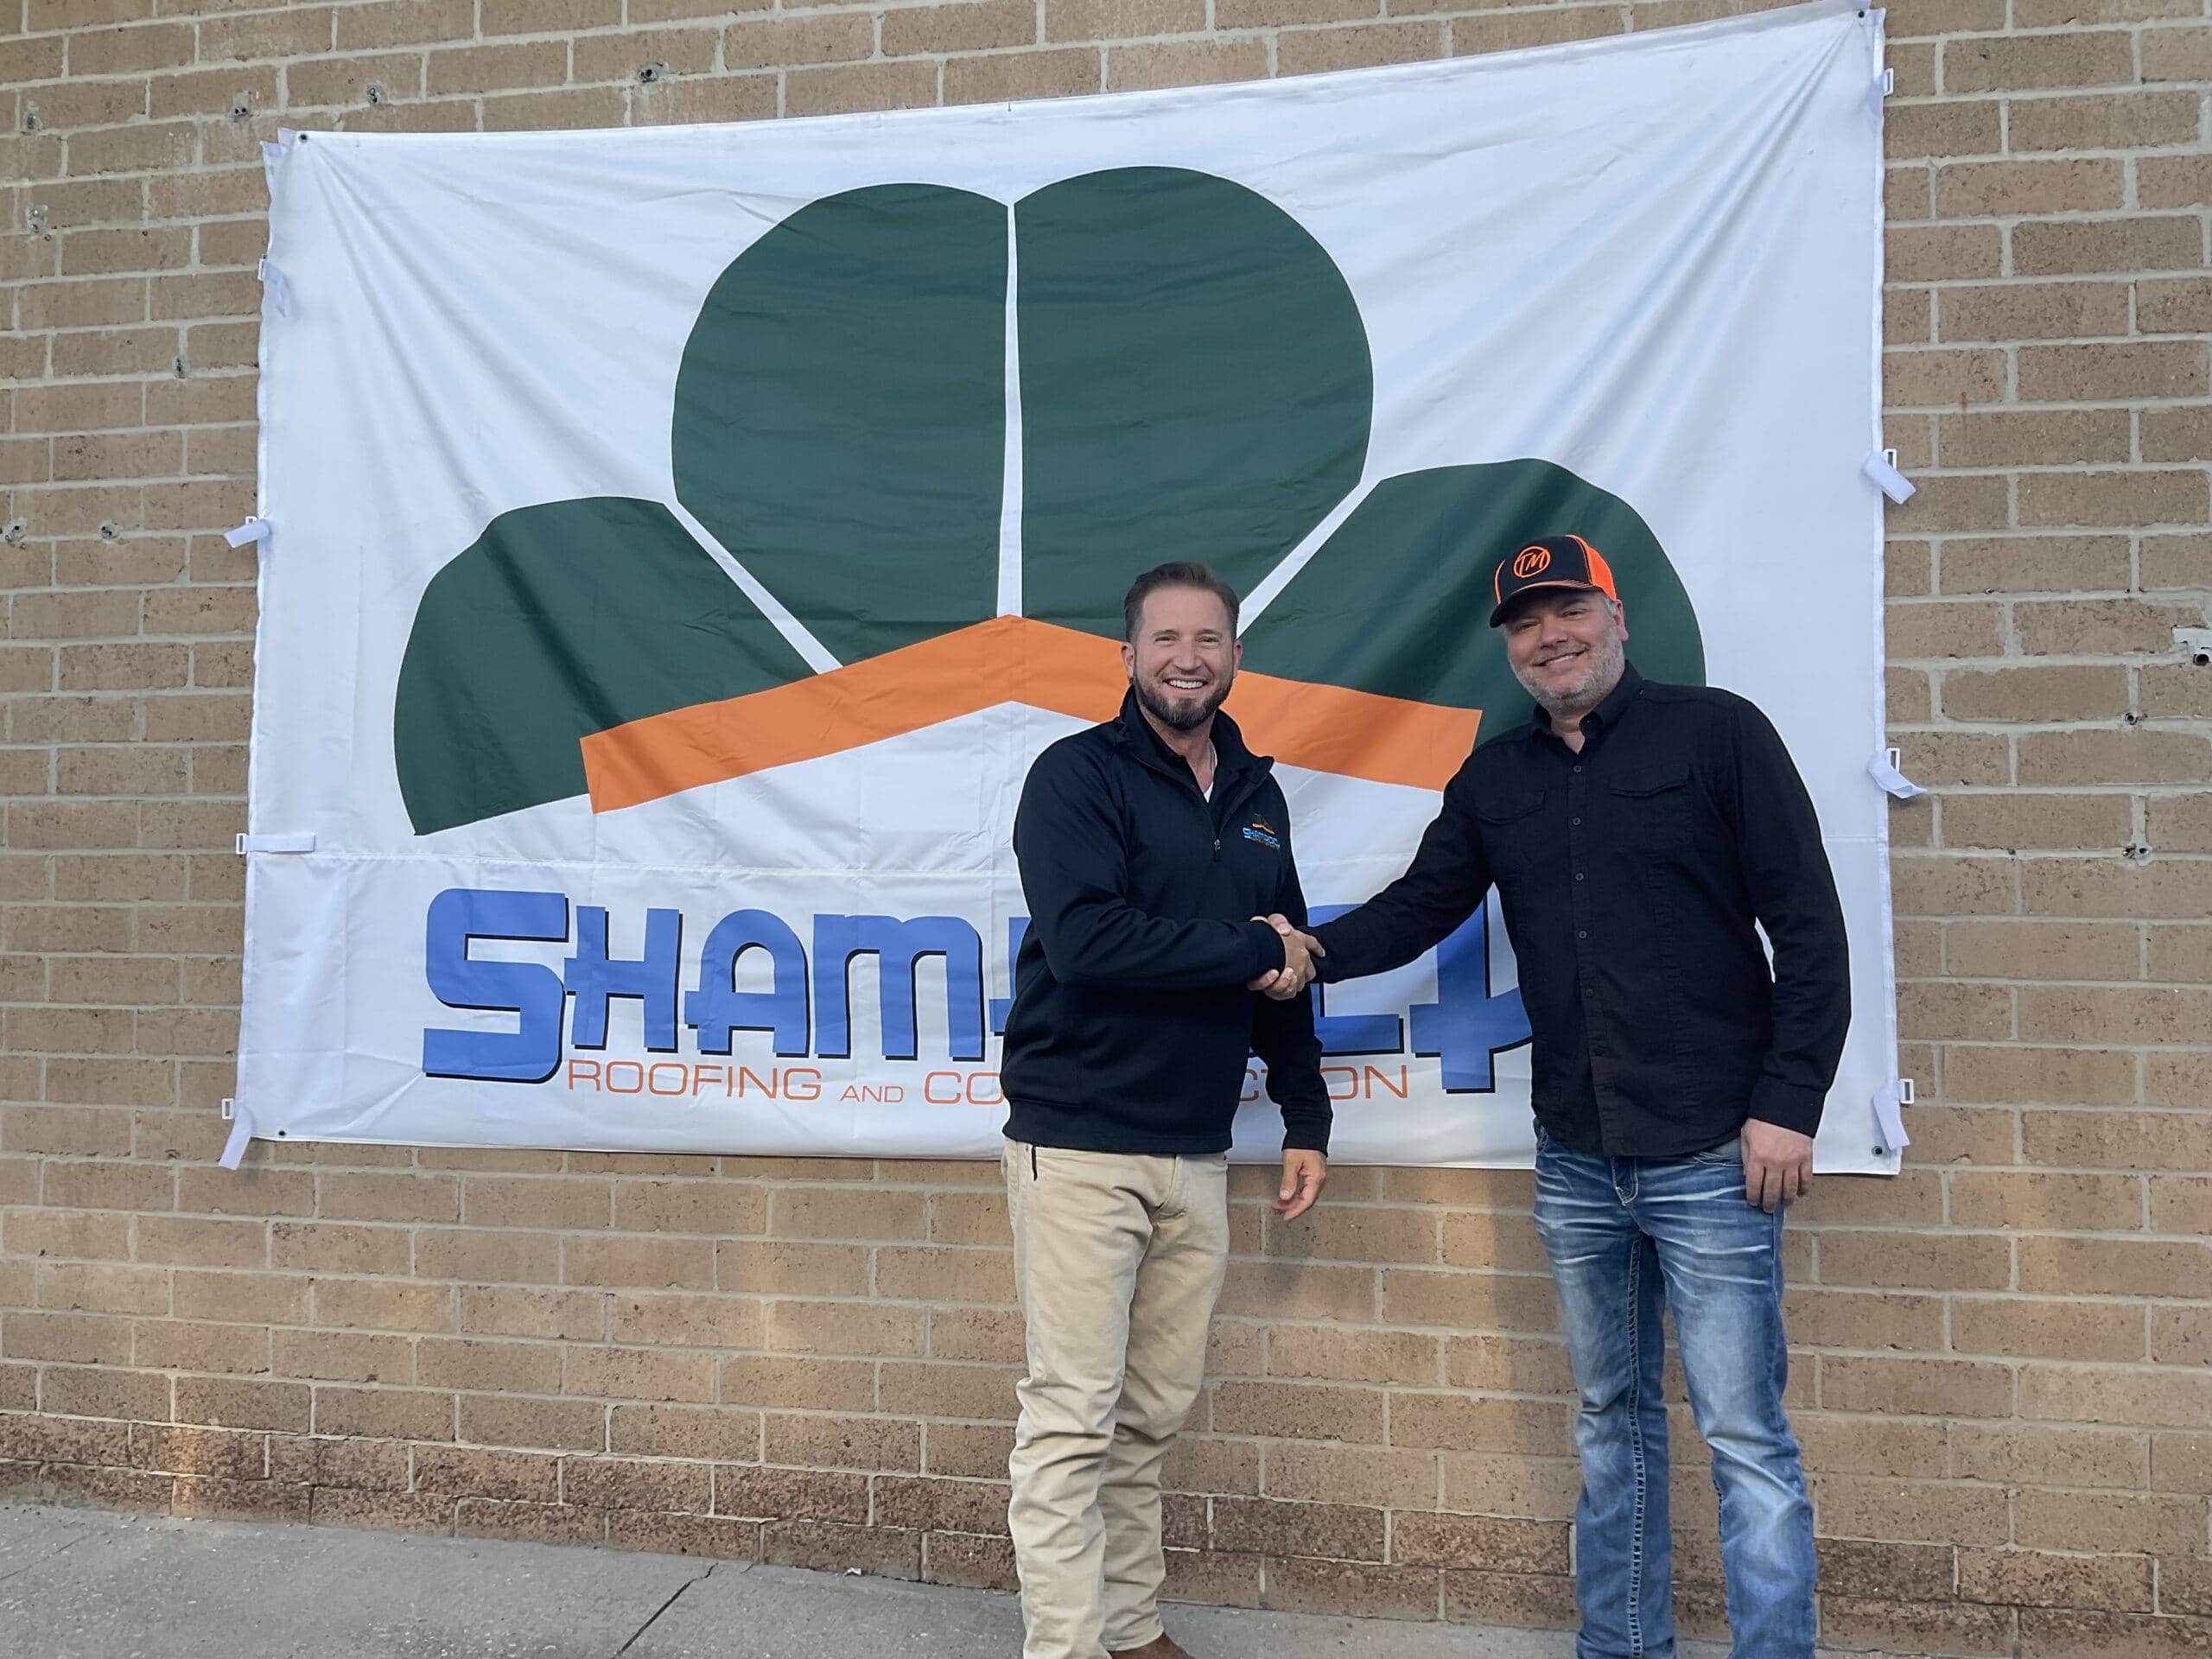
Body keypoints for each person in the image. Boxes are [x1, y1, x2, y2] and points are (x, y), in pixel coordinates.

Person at [1262, 533, 1847, 1659]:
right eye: (1526, 624)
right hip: (1577, 1159)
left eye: (1568, 611)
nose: (1549, 637)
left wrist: (1790, 1101)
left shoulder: (1719, 735)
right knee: (1609, 1423)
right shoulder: (1497, 780)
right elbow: (1420, 907)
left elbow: (1810, 929)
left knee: (1743, 1435)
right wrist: (1305, 949)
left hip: (1712, 1151)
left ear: (1616, 617)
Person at [998, 560, 1332, 1659]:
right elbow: (1087, 943)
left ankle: (1132, 1628)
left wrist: (1304, 1115)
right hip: (1079, 1141)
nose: (1188, 658)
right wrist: (1250, 948)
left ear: (1235, 655)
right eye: (1166, 638)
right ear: (1128, 655)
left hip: (1196, 1147)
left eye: (1209, 639)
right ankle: (1064, 1646)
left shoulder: (1257, 797)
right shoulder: (1075, 776)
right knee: (1072, 1419)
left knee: (1147, 1417)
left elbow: (1287, 966)